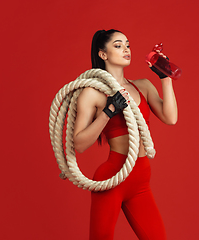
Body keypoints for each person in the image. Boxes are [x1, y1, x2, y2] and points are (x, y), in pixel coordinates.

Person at [73, 29, 178, 240]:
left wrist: (165, 78)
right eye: (118, 45)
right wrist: (108, 112)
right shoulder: (92, 93)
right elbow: (80, 144)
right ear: (103, 54)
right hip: (112, 177)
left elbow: (170, 118)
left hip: (140, 179)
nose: (126, 50)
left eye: (127, 45)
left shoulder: (143, 86)